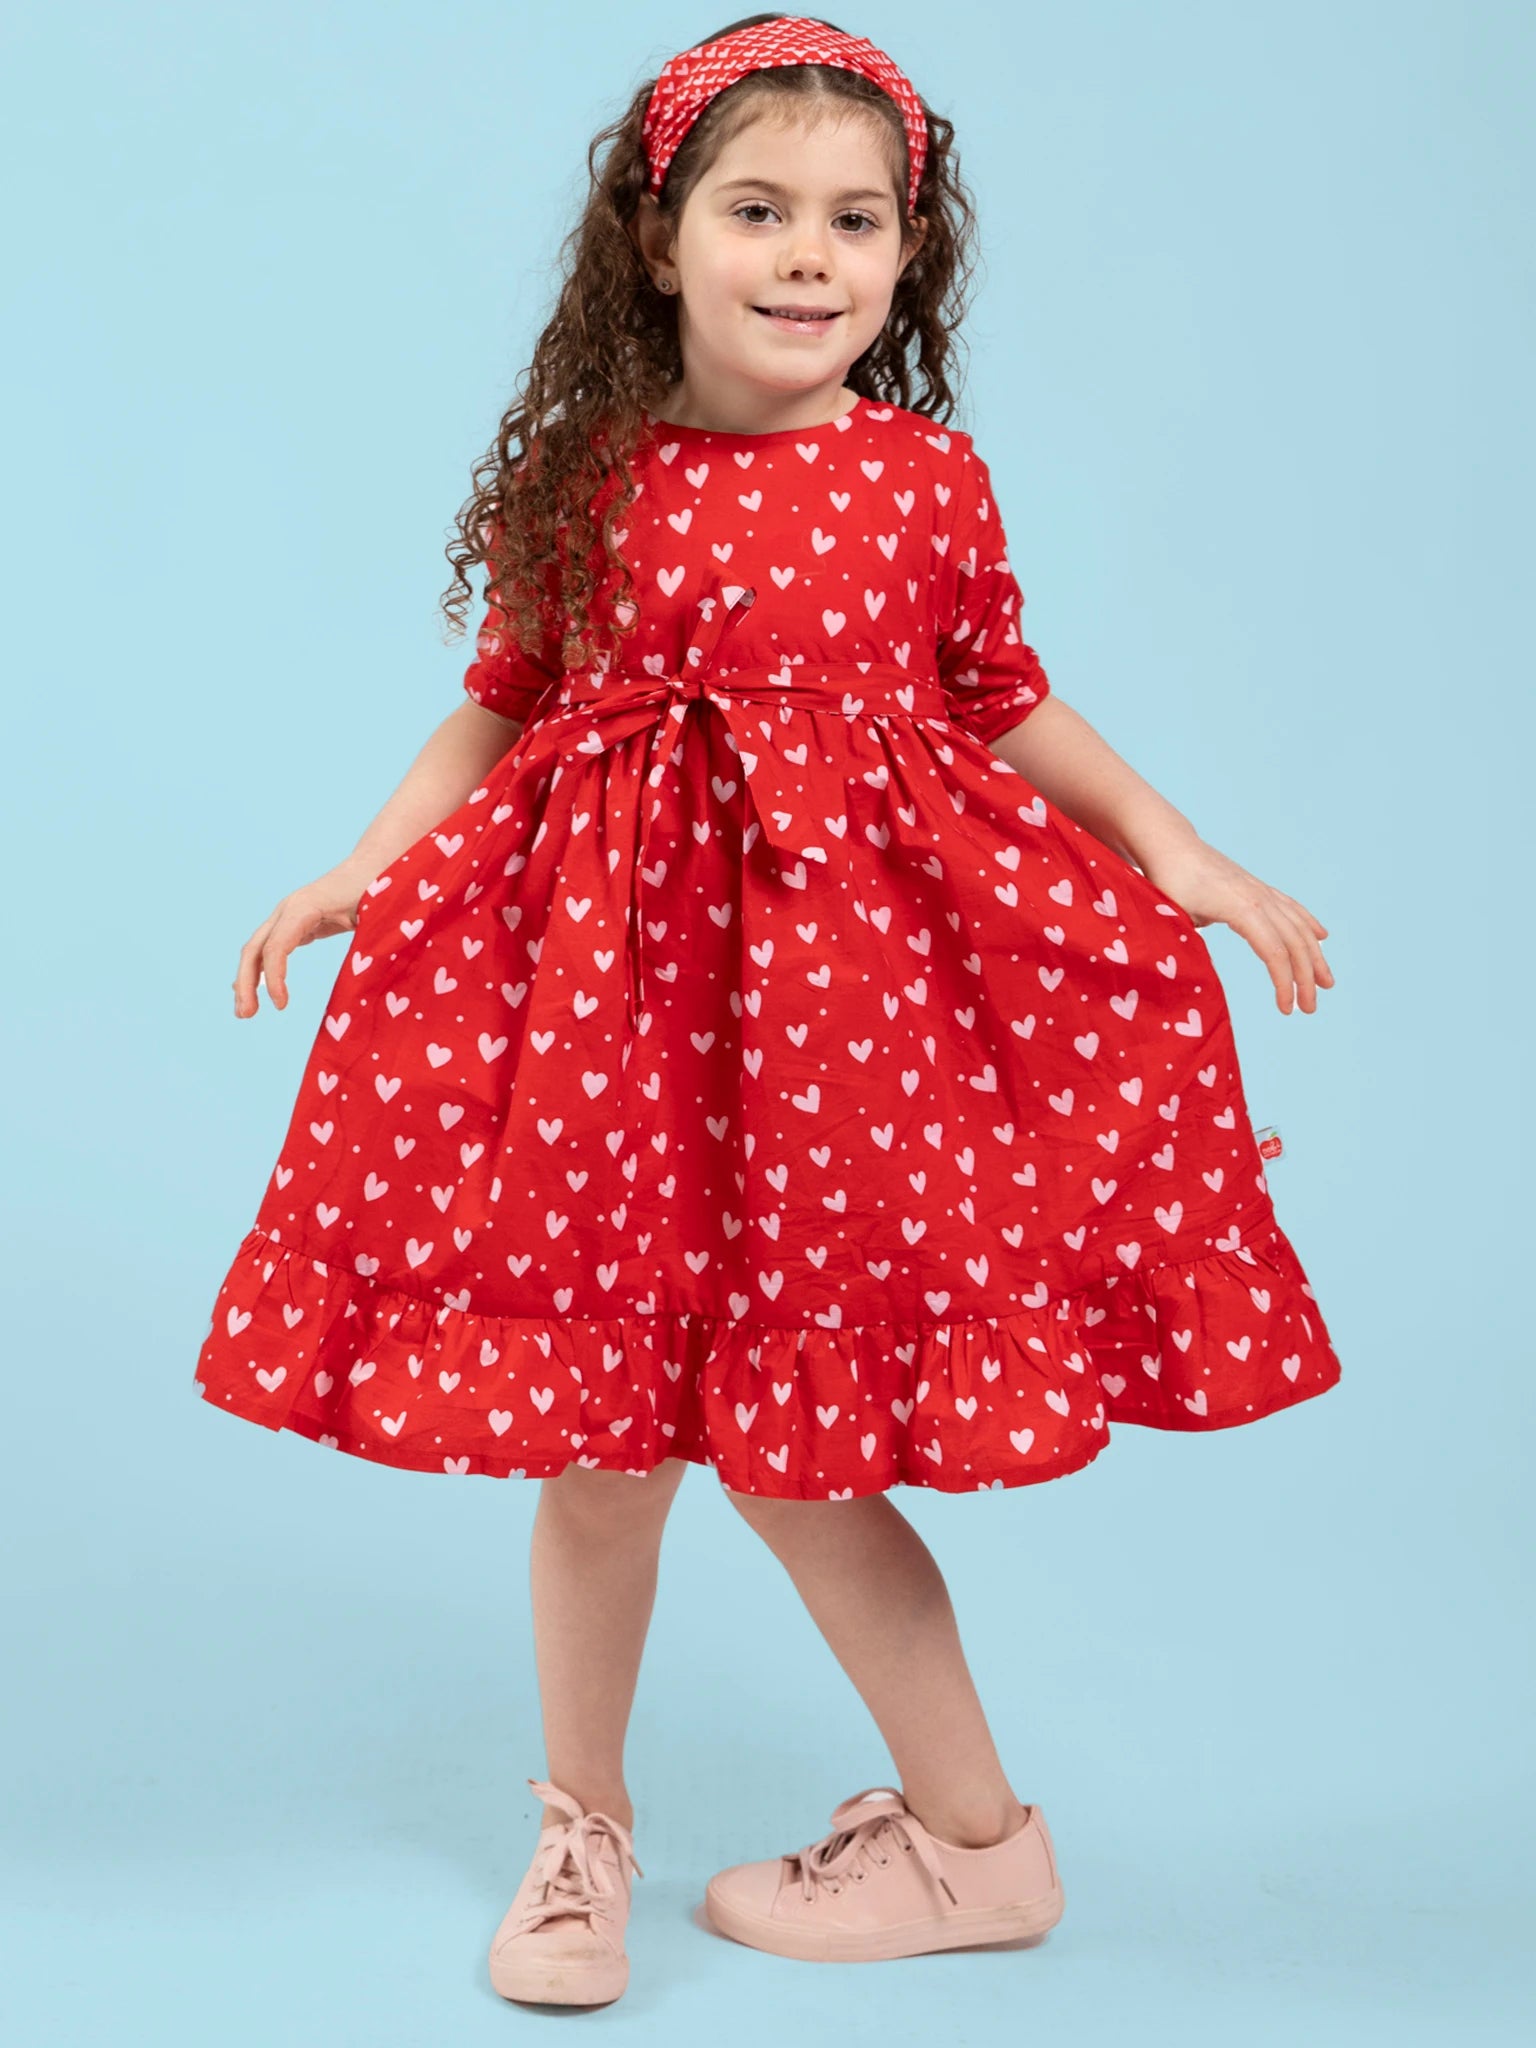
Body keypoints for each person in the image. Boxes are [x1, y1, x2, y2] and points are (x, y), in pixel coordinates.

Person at [193, 10, 1343, 2007]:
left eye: (857, 220)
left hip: (839, 1053)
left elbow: (1005, 699)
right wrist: (367, 865)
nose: (810, 257)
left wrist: (1181, 852)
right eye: (757, 211)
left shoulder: (924, 485)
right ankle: (580, 1838)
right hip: (617, 1037)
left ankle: (979, 1848)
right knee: (603, 1447)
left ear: (908, 257)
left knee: (810, 1461)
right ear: (656, 240)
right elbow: (503, 698)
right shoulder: (594, 479)